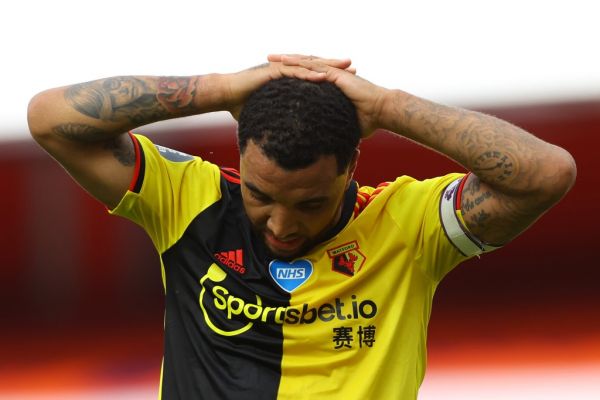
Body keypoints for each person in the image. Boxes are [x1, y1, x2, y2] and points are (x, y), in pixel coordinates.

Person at [27, 54, 576, 399]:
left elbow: (546, 174)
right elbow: (50, 119)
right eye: (260, 196)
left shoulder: (407, 223)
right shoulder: (187, 197)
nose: (282, 226)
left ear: (352, 171)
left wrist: (386, 106)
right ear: (238, 158)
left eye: (310, 203)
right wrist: (224, 89)